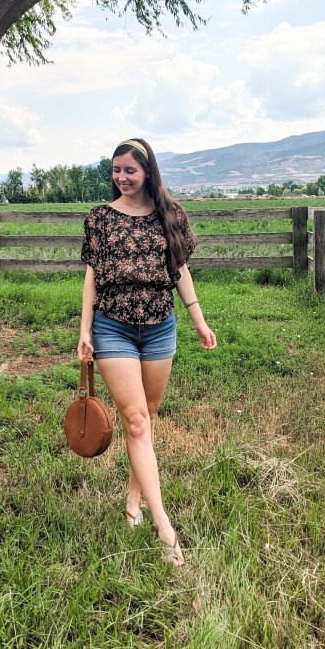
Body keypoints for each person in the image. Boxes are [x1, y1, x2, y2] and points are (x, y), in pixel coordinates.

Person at [78, 138, 217, 566]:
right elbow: (91, 276)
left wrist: (198, 319)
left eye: (130, 170)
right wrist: (84, 330)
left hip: (159, 329)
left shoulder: (169, 216)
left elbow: (180, 271)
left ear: (147, 172)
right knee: (136, 421)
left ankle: (133, 502)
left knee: (147, 418)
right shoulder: (100, 218)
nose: (121, 177)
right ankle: (164, 526)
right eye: (116, 170)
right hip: (112, 328)